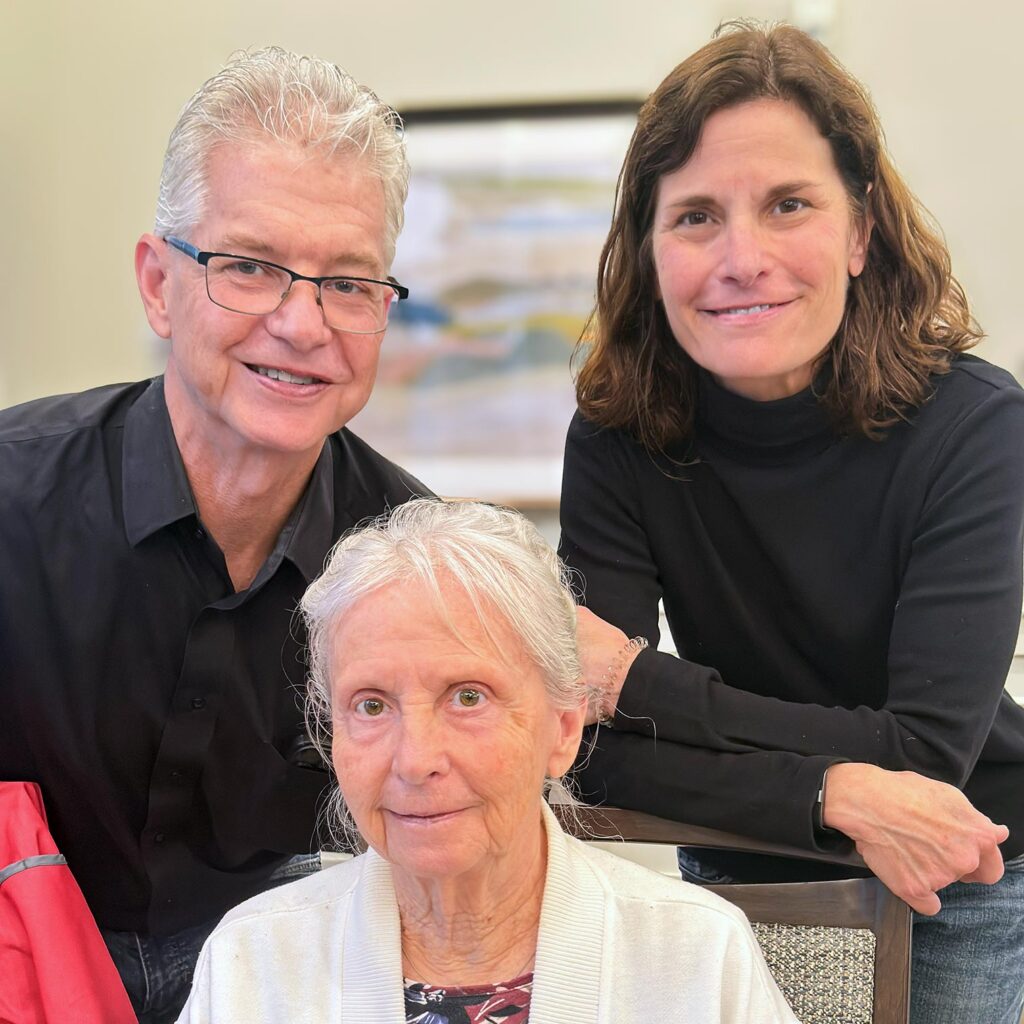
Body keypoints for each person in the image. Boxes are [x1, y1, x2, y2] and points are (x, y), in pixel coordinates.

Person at [559, 21, 1024, 1024]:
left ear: (860, 232)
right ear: (648, 248)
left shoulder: (975, 426)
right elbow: (580, 747)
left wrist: (639, 682)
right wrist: (831, 793)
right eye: (694, 217)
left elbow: (922, 757)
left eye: (787, 205)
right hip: (737, 871)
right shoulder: (616, 438)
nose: (742, 258)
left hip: (964, 874)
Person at [0, 48, 427, 1023]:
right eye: (248, 266)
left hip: (286, 979)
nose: (301, 321)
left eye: (348, 283)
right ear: (159, 284)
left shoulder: (414, 558)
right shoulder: (11, 495)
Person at [175, 498, 798, 1023]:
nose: (415, 761)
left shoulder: (694, 954)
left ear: (562, 728)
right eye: (370, 706)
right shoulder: (255, 961)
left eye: (468, 697)